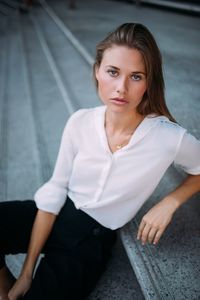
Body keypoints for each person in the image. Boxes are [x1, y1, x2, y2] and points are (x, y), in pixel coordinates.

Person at [0, 22, 200, 300]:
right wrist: (25, 272)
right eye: (113, 72)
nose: (121, 88)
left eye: (136, 76)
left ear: (148, 83)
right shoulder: (80, 121)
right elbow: (55, 190)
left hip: (90, 242)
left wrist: (171, 202)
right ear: (97, 71)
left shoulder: (167, 137)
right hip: (59, 213)